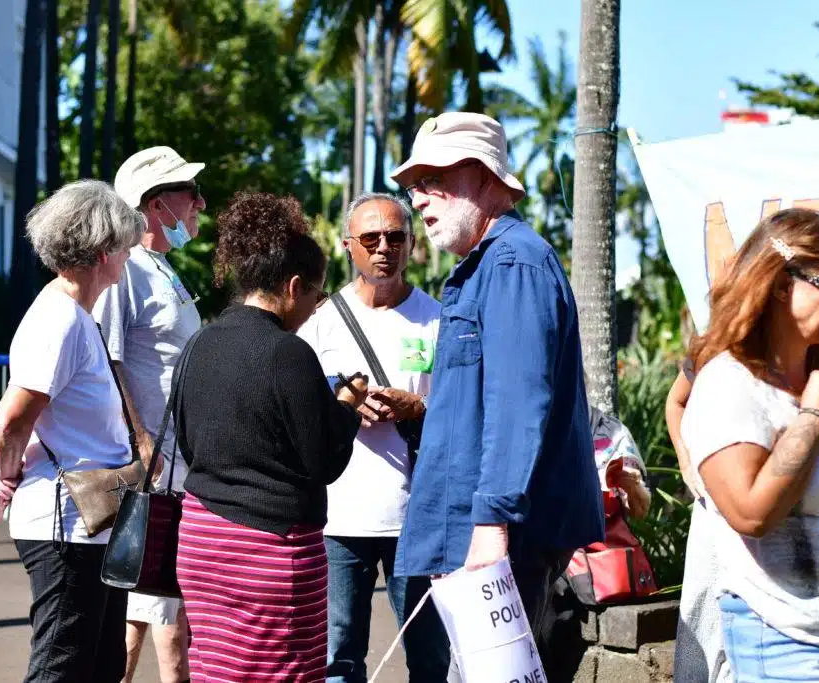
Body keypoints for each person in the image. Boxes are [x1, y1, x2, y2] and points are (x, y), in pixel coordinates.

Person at [390, 112, 604, 677]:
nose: (419, 197)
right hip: (483, 530)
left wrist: (491, 523)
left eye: (435, 179)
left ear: (485, 176)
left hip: (504, 537)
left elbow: (517, 405)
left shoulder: (513, 263)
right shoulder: (485, 265)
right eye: (414, 185)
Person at [681, 207, 819, 682]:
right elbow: (751, 514)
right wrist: (813, 418)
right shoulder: (728, 383)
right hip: (787, 640)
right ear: (780, 284)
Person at [174, 191, 367, 683]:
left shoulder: (198, 343)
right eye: (317, 296)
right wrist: (346, 407)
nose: (315, 308)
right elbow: (323, 462)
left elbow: (188, 441)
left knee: (216, 670)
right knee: (283, 670)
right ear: (294, 286)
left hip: (200, 540)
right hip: (272, 549)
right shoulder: (289, 353)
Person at [0, 180, 145, 682]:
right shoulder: (61, 320)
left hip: (88, 521)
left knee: (101, 664)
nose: (129, 255)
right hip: (65, 523)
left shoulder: (74, 315)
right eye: (125, 246)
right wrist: (7, 476)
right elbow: (13, 417)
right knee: (61, 666)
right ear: (103, 251)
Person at [297, 192, 450, 682]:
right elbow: (295, 403)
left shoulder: (437, 319)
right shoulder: (319, 321)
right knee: (338, 658)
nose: (383, 247)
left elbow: (461, 408)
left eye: (395, 236)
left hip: (416, 517)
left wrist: (417, 407)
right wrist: (342, 405)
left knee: (430, 657)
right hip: (339, 518)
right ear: (348, 245)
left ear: (411, 244)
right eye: (370, 238)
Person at [93, 146, 205, 683]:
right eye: (191, 192)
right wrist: (140, 438)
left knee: (143, 611)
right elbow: (107, 356)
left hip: (174, 460)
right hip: (154, 466)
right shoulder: (127, 270)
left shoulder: (160, 269)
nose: (200, 203)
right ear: (157, 205)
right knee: (168, 617)